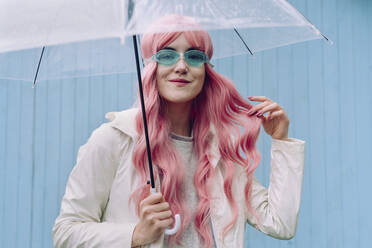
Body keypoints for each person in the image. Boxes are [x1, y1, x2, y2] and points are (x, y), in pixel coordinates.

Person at [52, 15, 305, 248]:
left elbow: (280, 224)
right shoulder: (115, 138)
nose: (182, 65)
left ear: (206, 70)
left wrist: (281, 141)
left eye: (194, 56)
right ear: (151, 66)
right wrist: (135, 234)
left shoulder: (220, 152)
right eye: (167, 55)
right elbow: (66, 232)